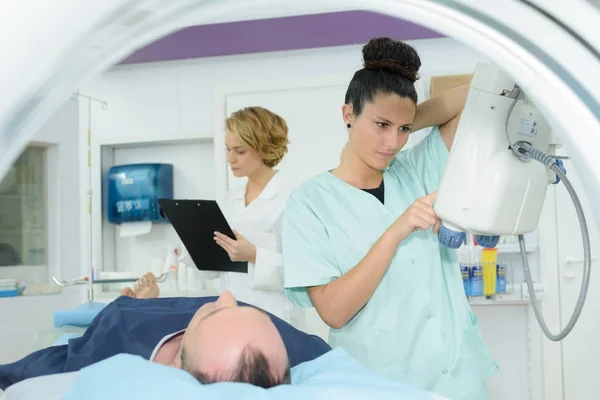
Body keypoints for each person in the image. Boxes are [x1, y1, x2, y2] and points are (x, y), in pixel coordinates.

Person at [282, 37, 498, 400]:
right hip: (379, 384)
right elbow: (333, 311)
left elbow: (481, 94)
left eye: (403, 130)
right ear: (348, 114)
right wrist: (396, 230)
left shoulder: (416, 170)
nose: (393, 143)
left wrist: (403, 117)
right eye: (381, 124)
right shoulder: (309, 202)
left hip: (457, 379)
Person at [0, 273, 331, 391]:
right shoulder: (287, 349)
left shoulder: (94, 367)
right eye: (236, 307)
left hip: (110, 326)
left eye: (212, 314)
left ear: (176, 368)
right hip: (137, 311)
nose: (225, 297)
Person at [180, 106, 295, 323]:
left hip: (275, 318)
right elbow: (214, 271)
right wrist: (197, 245)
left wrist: (253, 255)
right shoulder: (227, 200)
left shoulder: (292, 199)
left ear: (264, 148)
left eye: (239, 151)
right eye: (228, 149)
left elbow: (303, 273)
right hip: (231, 315)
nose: (230, 158)